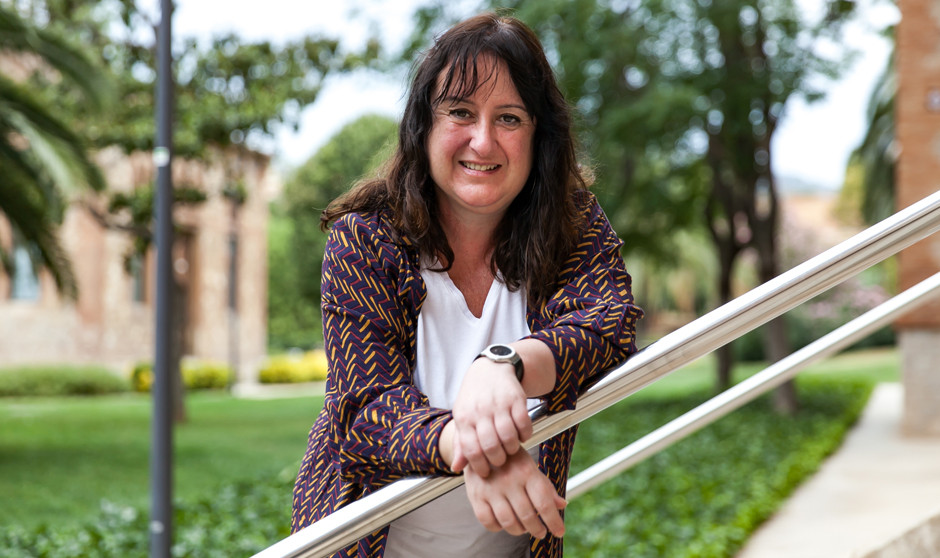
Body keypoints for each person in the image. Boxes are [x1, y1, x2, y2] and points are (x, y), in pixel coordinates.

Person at [290, 12, 643, 558]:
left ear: (539, 136)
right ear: (423, 126)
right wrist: (478, 447)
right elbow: (367, 414)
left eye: (509, 118)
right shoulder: (365, 240)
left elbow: (610, 325)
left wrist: (504, 365)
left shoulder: (571, 224)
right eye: (460, 112)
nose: (482, 141)